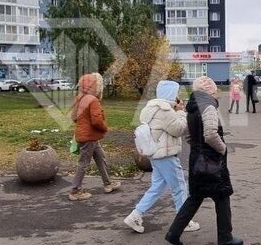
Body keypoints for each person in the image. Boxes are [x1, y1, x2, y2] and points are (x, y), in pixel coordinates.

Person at [164, 76, 243, 245]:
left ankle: (174, 232)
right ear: (210, 90)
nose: (217, 93)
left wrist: (196, 147)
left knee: (195, 196)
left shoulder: (192, 107)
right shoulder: (208, 106)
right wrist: (223, 149)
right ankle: (225, 237)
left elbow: (187, 132)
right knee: (222, 196)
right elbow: (211, 134)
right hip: (212, 159)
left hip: (196, 158)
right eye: (215, 90)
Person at [123, 80, 200, 234]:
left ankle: (136, 215)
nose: (178, 97)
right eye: (176, 93)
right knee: (179, 187)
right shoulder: (165, 110)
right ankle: (184, 221)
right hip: (165, 155)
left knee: (157, 187)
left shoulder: (152, 107)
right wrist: (180, 111)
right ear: (172, 94)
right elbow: (179, 129)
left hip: (155, 155)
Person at [69, 72, 120, 201]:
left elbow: (74, 117)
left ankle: (108, 183)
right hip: (89, 137)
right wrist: (104, 128)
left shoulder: (79, 98)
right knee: (83, 163)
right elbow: (97, 121)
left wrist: (82, 124)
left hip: (86, 136)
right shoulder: (93, 100)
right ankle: (75, 191)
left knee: (100, 157)